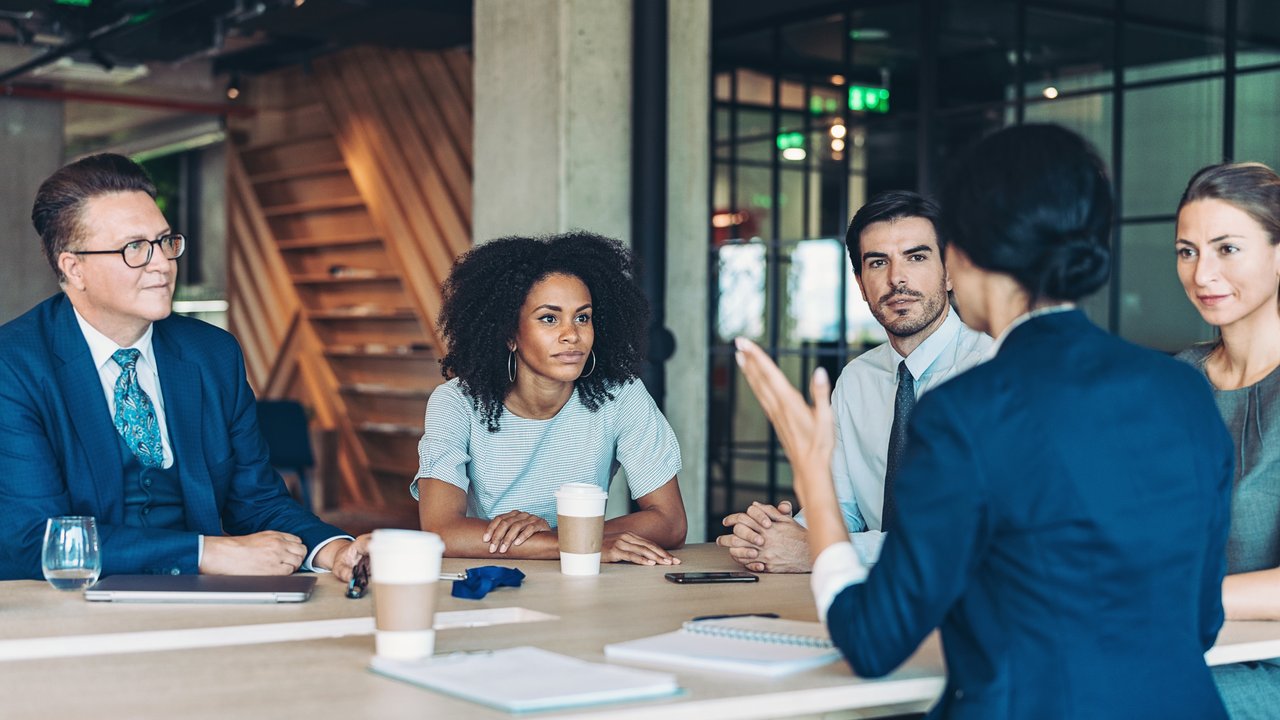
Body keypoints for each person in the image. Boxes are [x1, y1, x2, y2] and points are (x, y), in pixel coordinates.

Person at [733, 124, 1233, 719]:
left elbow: (871, 641)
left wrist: (811, 472)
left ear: (963, 257)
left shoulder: (966, 409)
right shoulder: (1183, 388)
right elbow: (1200, 622)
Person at [0, 153, 364, 582]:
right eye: (135, 248)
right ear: (74, 267)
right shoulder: (15, 364)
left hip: (200, 601)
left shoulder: (212, 353)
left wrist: (337, 551)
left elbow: (257, 501)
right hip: (72, 610)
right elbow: (35, 538)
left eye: (164, 241)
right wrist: (204, 552)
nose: (162, 263)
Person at [717, 191, 990, 573]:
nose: (897, 278)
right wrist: (775, 534)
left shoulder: (993, 374)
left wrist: (818, 550)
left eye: (916, 257)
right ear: (861, 284)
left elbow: (967, 536)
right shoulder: (857, 380)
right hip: (868, 601)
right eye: (878, 262)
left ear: (950, 272)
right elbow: (839, 509)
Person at [414, 231, 687, 564]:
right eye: (549, 318)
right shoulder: (456, 404)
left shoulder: (621, 396)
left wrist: (560, 538)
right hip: (492, 583)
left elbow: (670, 521)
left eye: (582, 317)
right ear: (510, 334)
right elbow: (441, 531)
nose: (572, 334)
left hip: (580, 581)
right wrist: (574, 545)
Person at [1173, 161, 1280, 720]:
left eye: (1227, 248)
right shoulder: (1174, 382)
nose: (1201, 273)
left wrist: (1169, 598)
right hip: (1174, 645)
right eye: (1187, 251)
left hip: (1267, 668)